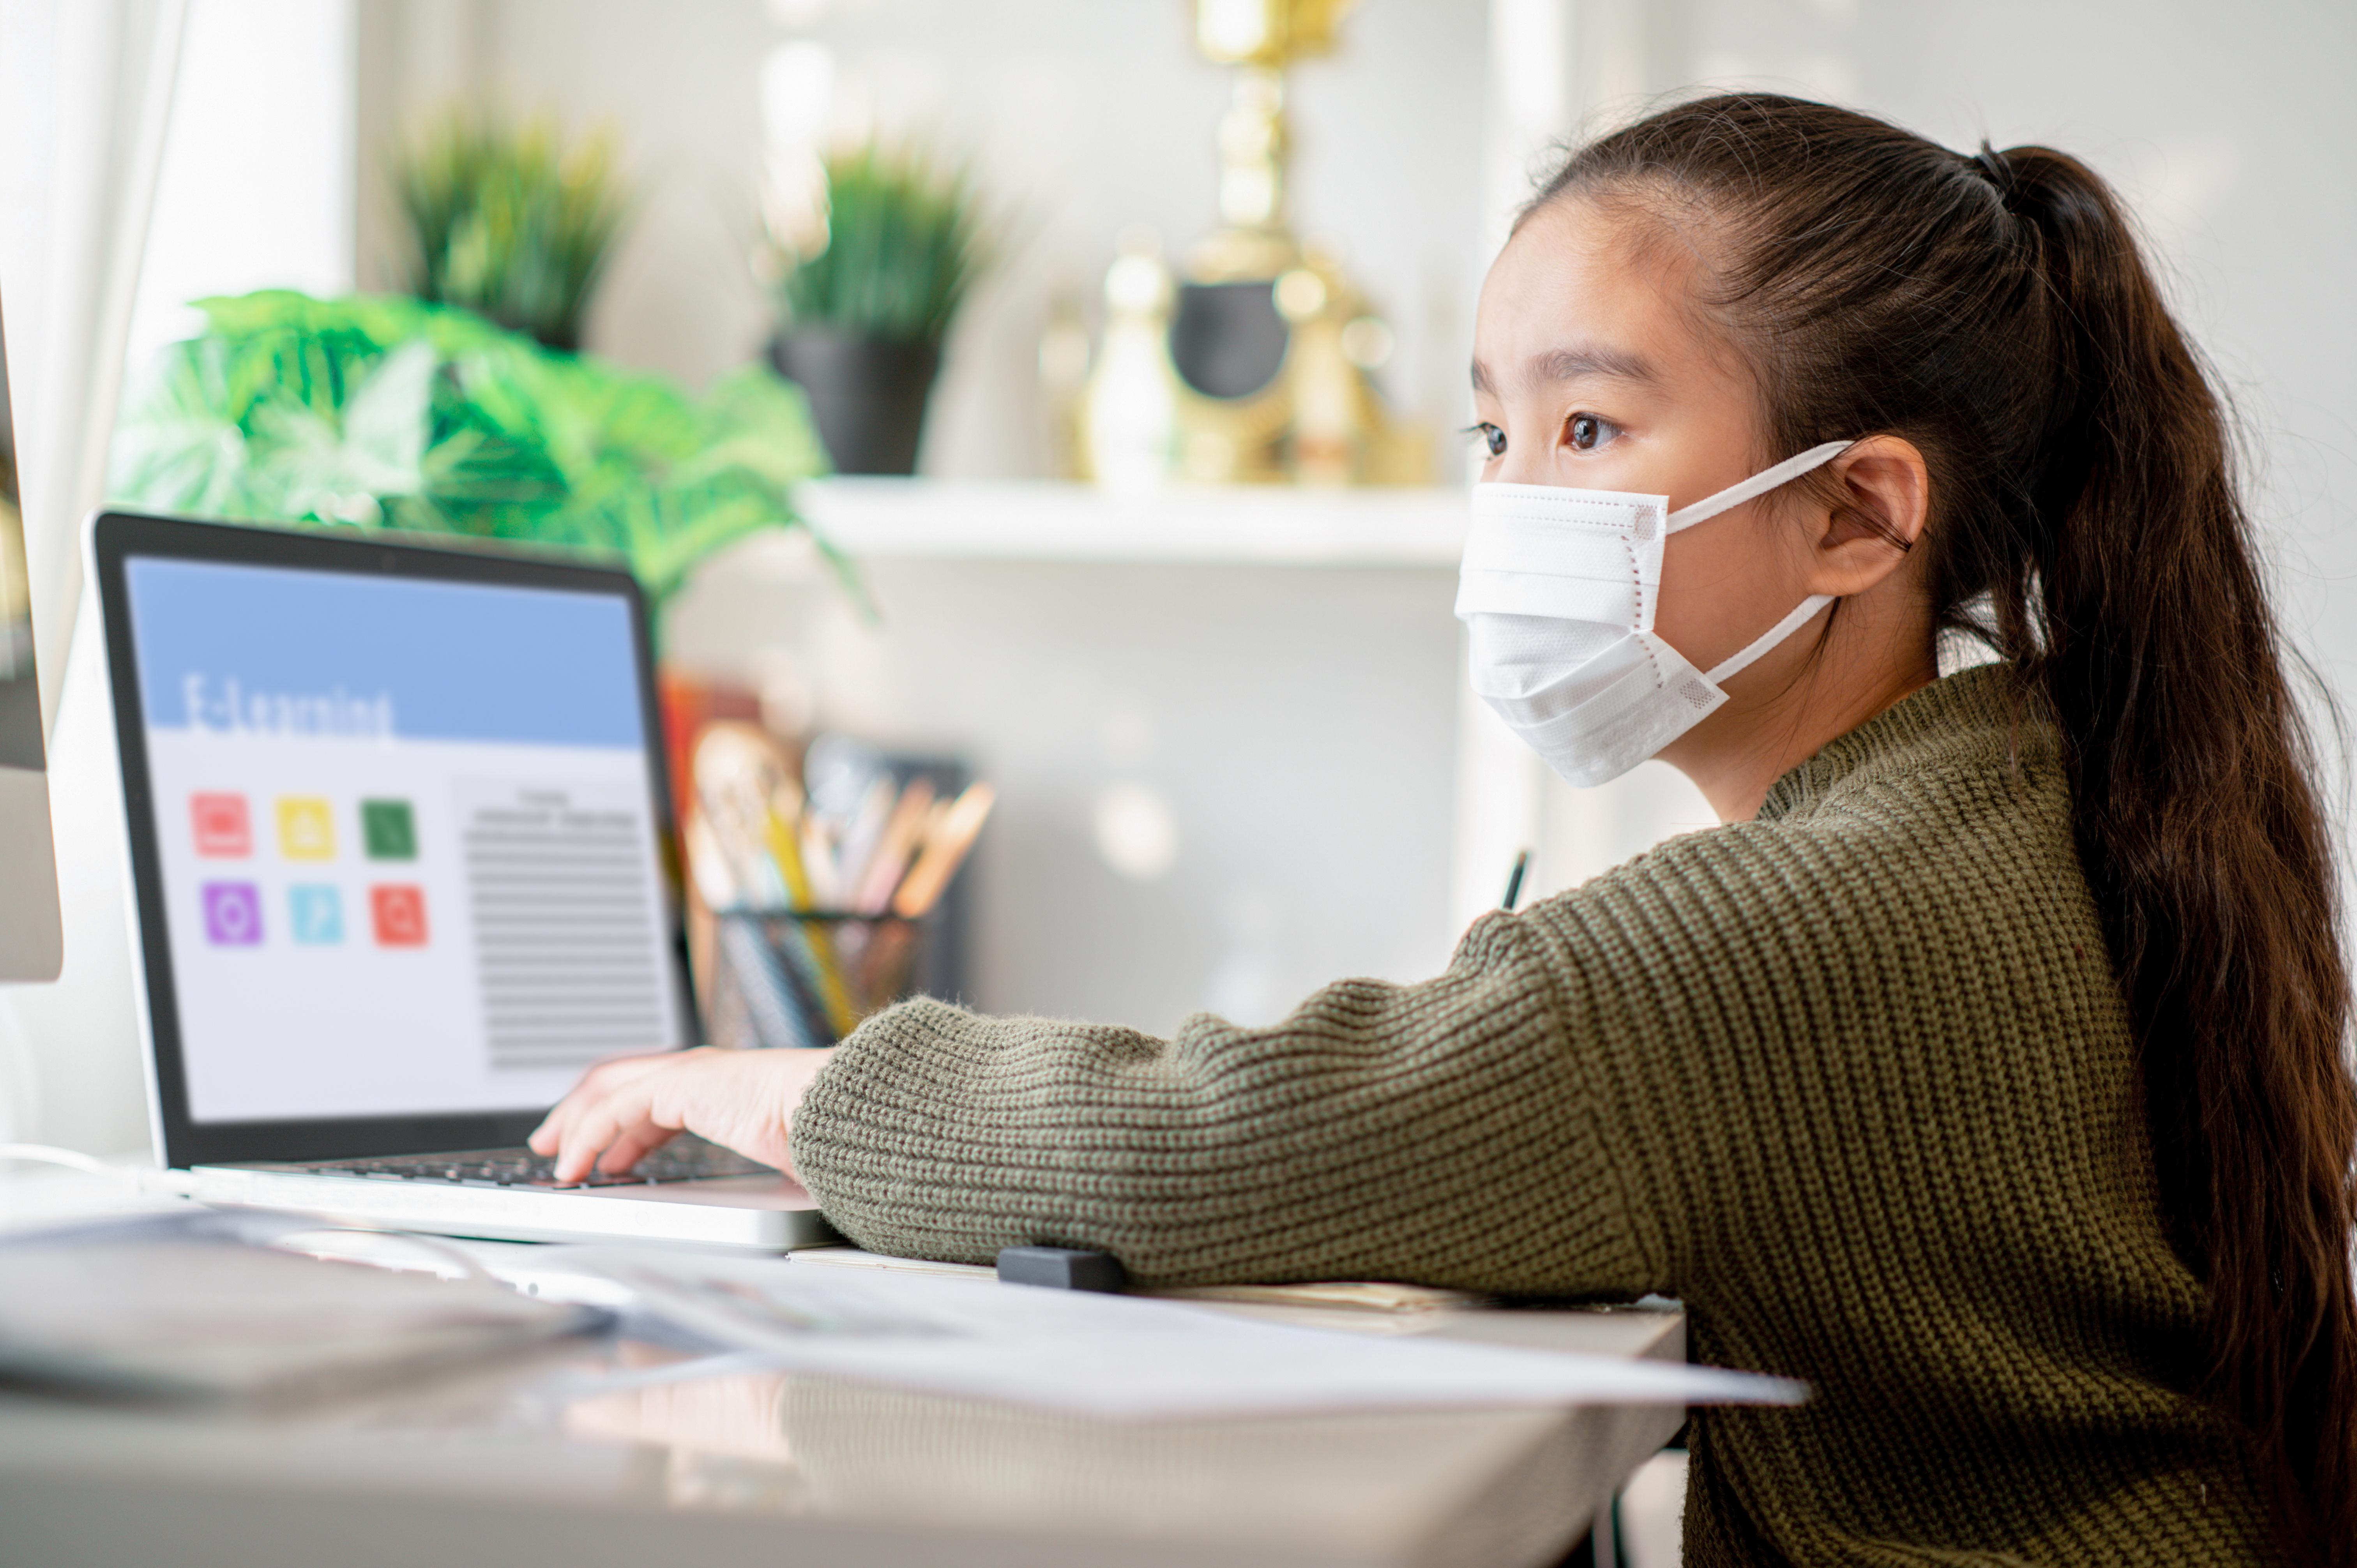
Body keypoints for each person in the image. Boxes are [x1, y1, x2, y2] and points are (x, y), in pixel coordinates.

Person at [532, 94, 2357, 1565]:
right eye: (1495, 432)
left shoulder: (1787, 929)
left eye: (1587, 424)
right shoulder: (2027, 787)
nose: (1514, 505)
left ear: (1858, 516)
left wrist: (785, 1091)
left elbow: (1216, 1141)